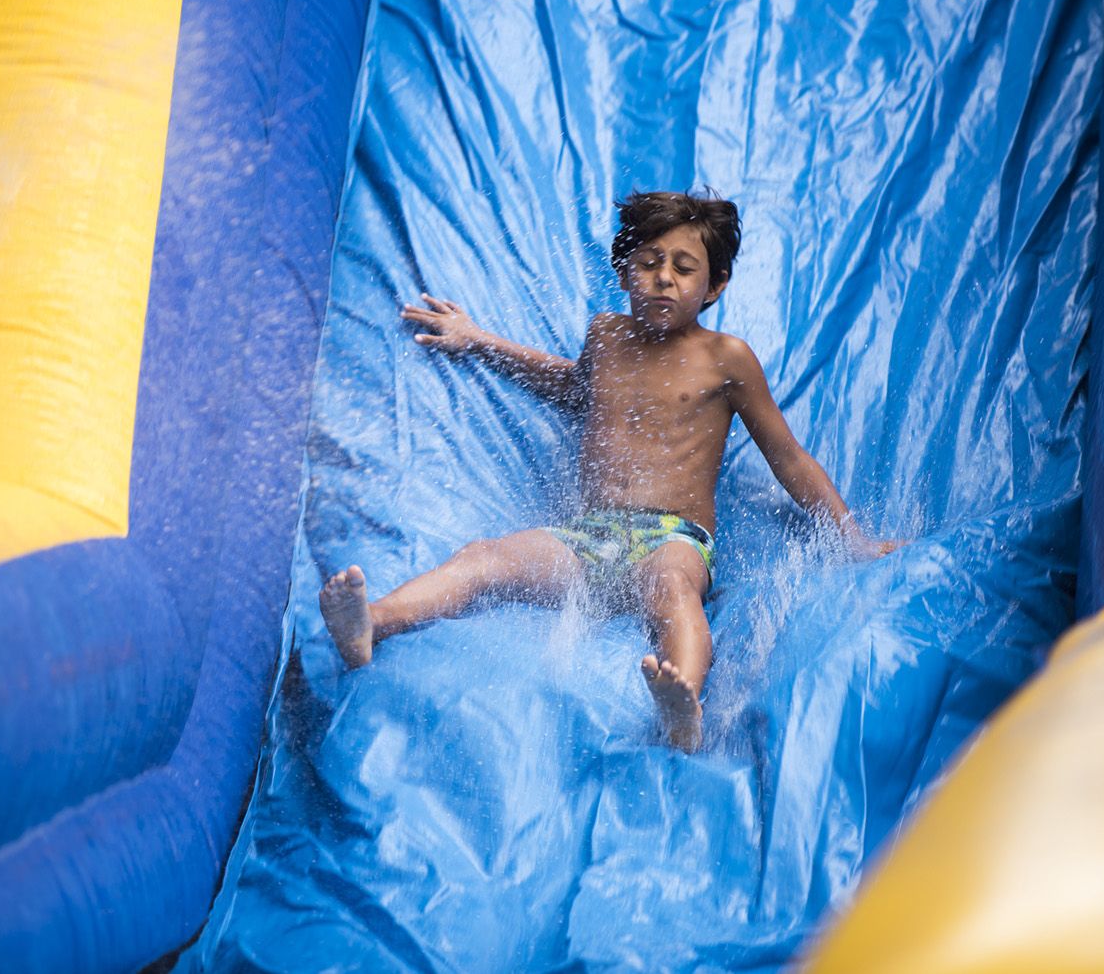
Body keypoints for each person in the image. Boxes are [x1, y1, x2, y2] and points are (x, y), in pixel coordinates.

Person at [319, 190, 896, 751]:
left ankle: (683, 707)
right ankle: (372, 622)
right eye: (648, 263)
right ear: (624, 273)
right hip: (589, 538)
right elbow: (574, 386)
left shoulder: (727, 357)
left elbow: (788, 457)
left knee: (670, 590)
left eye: (684, 267)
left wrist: (851, 537)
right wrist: (480, 341)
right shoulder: (607, 335)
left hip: (673, 539)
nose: (664, 277)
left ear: (714, 285)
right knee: (483, 557)